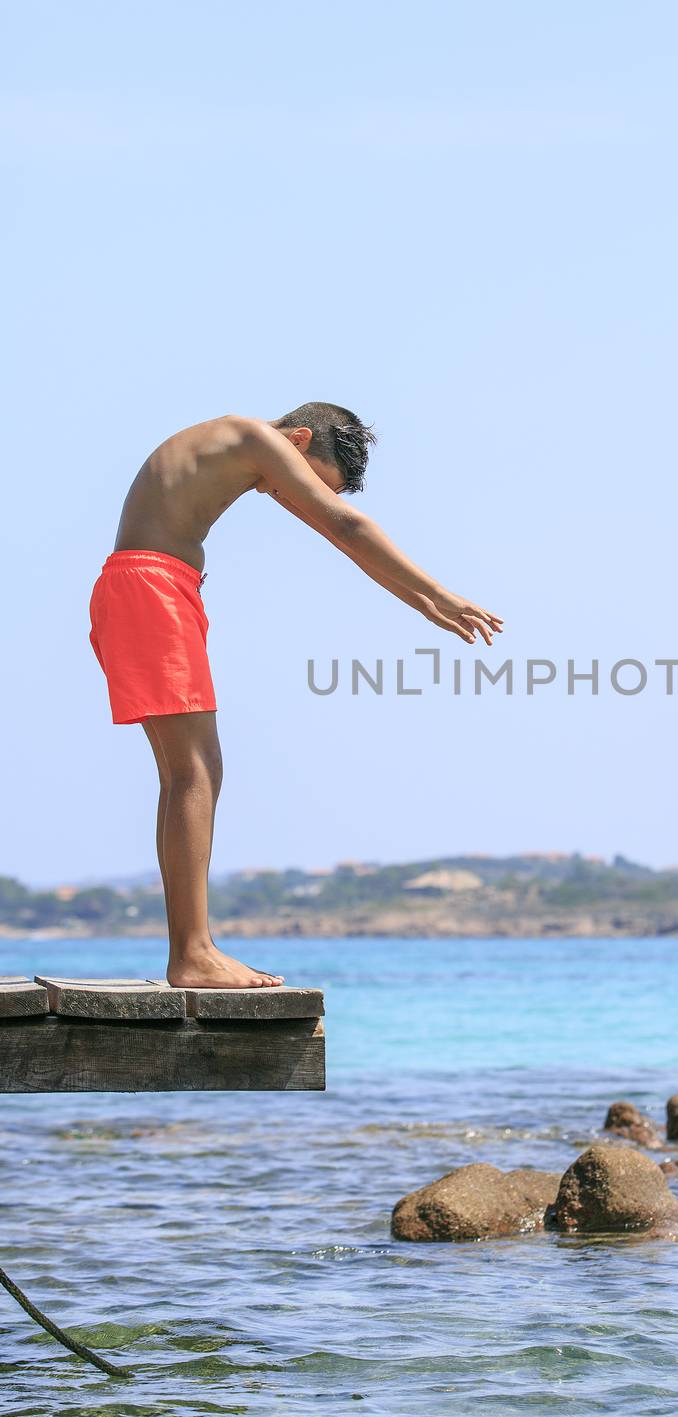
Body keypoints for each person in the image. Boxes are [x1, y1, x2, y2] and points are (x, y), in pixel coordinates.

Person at [89, 403, 503, 989]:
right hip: (152, 588)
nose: (284, 494)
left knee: (191, 773)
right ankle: (193, 954)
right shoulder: (251, 435)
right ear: (298, 438)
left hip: (153, 586)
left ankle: (193, 950)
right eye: (303, 478)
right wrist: (442, 592)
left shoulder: (231, 446)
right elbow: (347, 524)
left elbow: (340, 538)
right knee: (196, 774)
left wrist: (425, 607)